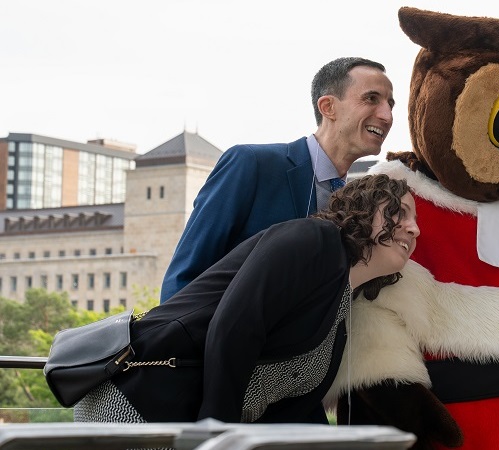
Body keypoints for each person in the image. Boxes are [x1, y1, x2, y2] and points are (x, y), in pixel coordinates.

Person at [74, 174, 419, 424]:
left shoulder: (341, 308)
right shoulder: (313, 238)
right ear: (365, 206)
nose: (414, 228)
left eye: (415, 220)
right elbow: (235, 326)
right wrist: (217, 432)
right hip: (140, 406)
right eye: (401, 212)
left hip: (190, 426)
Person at [160, 56, 395, 302]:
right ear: (328, 107)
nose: (387, 116)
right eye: (371, 99)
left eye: (390, 105)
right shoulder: (251, 163)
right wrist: (173, 337)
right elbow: (184, 276)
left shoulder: (357, 204)